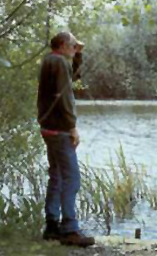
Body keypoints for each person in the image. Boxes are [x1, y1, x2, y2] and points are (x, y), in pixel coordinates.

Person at [37, 31, 95, 247]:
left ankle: (52, 226)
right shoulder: (59, 62)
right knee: (72, 178)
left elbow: (72, 78)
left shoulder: (50, 61)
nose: (74, 48)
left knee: (57, 176)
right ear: (61, 45)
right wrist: (72, 127)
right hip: (60, 130)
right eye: (72, 46)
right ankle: (69, 229)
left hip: (48, 128)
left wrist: (78, 54)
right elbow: (64, 96)